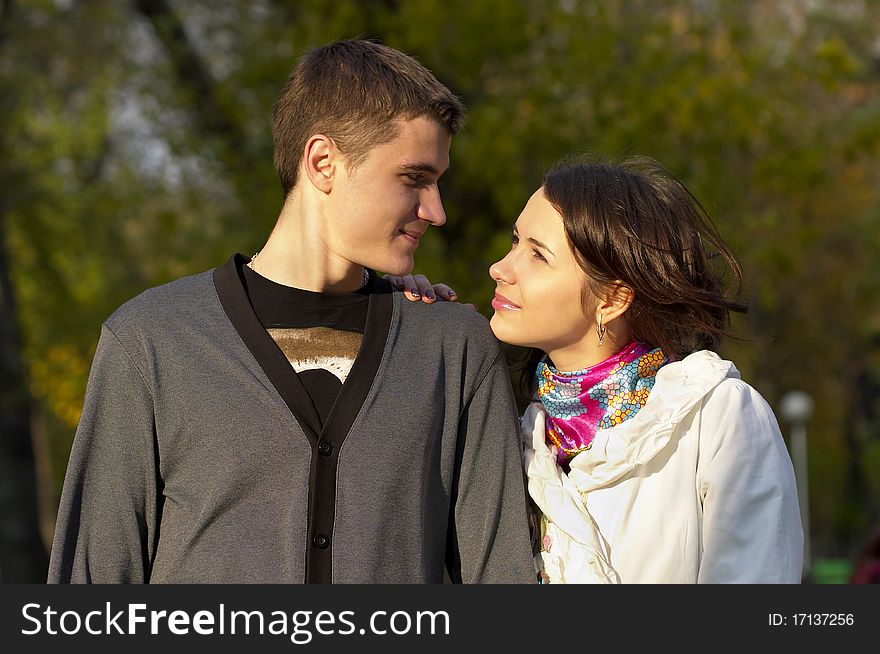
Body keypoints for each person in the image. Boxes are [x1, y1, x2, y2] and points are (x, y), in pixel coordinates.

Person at [48, 39, 535, 584]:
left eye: (437, 182)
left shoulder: (453, 347)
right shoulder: (151, 341)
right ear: (323, 162)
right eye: (414, 179)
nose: (437, 211)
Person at [391, 157, 804, 583]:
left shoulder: (714, 418)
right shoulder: (516, 438)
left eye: (538, 255)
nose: (501, 268)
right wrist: (407, 326)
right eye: (515, 242)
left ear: (612, 299)